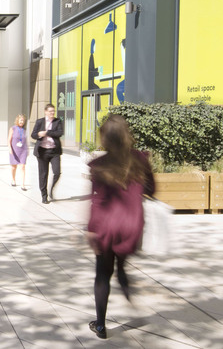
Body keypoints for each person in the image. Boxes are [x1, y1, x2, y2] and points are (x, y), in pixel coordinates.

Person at [87, 114, 155, 339]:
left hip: (107, 226)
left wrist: (91, 229)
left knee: (102, 274)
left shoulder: (98, 165)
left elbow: (96, 201)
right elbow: (152, 190)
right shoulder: (140, 159)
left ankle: (101, 325)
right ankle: (124, 279)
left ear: (105, 137)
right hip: (131, 224)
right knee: (120, 260)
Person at [31, 104, 63, 204]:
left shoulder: (58, 121)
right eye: (50, 111)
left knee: (57, 172)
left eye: (53, 111)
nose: (52, 113)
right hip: (42, 152)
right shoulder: (40, 121)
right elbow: (33, 135)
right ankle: (44, 196)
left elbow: (59, 133)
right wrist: (39, 134)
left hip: (54, 152)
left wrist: (47, 132)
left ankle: (51, 189)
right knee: (43, 175)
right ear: (45, 112)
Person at [7, 114, 28, 189]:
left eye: (23, 120)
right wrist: (10, 149)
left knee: (22, 166)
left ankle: (23, 184)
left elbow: (25, 141)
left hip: (23, 151)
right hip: (14, 150)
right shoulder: (13, 128)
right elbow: (9, 140)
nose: (22, 122)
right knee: (14, 167)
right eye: (21, 120)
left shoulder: (24, 130)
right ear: (17, 120)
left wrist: (27, 150)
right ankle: (13, 179)